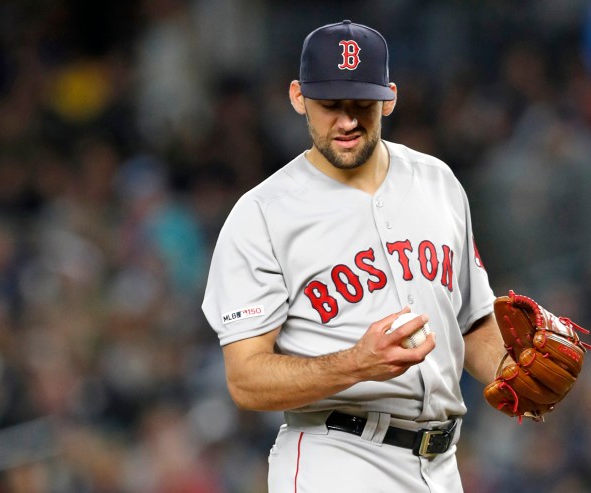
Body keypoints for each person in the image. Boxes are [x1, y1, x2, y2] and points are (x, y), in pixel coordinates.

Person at [202, 20, 506, 493]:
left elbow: (471, 323)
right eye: (330, 105)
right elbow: (245, 379)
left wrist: (515, 375)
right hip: (336, 458)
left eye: (362, 104)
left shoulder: (438, 182)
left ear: (389, 97)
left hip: (442, 466)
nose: (346, 121)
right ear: (298, 97)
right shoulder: (262, 214)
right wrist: (355, 363)